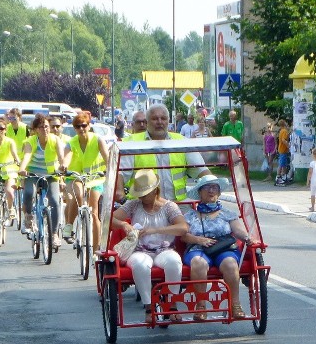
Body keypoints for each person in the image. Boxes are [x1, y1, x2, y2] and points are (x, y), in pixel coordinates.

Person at [111, 170, 187, 324]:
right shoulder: (133, 205)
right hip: (140, 250)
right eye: (139, 194)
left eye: (144, 194)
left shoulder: (169, 207)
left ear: (155, 191)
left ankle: (171, 304)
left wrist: (157, 230)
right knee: (140, 265)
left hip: (164, 249)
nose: (141, 198)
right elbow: (109, 220)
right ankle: (149, 307)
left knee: (174, 261)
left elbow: (183, 228)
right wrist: (123, 224)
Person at [181, 175, 254, 321]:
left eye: (215, 188)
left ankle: (235, 305)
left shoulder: (227, 213)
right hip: (198, 248)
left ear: (219, 192)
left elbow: (238, 230)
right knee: (198, 263)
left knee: (230, 264)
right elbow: (183, 236)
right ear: (199, 192)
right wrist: (199, 240)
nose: (211, 191)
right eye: (207, 187)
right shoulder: (190, 215)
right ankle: (201, 306)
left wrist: (247, 237)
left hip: (224, 248)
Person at [120, 104, 212, 201]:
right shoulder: (132, 143)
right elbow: (120, 173)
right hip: (143, 206)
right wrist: (119, 191)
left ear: (168, 121)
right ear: (147, 122)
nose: (160, 122)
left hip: (178, 205)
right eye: (155, 119)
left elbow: (201, 169)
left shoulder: (181, 142)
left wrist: (212, 184)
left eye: (163, 118)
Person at [18, 113, 70, 245]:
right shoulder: (30, 141)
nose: (45, 129)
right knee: (29, 192)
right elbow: (27, 156)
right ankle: (28, 217)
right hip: (33, 173)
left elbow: (60, 156)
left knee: (54, 201)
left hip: (50, 174)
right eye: (41, 127)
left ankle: (54, 234)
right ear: (35, 130)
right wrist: (22, 169)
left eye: (46, 126)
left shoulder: (55, 140)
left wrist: (63, 165)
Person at [63, 111, 110, 249]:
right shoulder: (71, 143)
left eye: (84, 125)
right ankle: (69, 225)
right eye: (78, 126)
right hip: (76, 177)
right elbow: (67, 157)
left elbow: (107, 159)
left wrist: (109, 170)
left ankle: (96, 249)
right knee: (78, 195)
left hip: (95, 178)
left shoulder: (97, 139)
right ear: (75, 129)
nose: (81, 129)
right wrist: (64, 166)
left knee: (94, 212)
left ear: (89, 126)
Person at [276, 119, 291, 183]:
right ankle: (278, 177)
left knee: (284, 164)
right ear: (284, 123)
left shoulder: (282, 131)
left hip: (282, 149)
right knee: (281, 164)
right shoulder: (284, 131)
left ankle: (284, 176)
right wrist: (288, 145)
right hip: (282, 150)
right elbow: (283, 140)